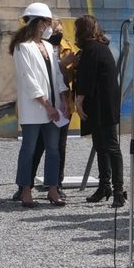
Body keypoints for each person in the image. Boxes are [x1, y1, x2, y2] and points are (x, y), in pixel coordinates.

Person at [11, 2, 69, 207]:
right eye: (46, 22)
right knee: (29, 149)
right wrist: (47, 105)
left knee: (53, 149)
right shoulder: (22, 47)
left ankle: (53, 189)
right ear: (38, 22)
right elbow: (28, 80)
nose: (49, 26)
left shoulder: (48, 46)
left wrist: (63, 97)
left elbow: (57, 75)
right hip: (35, 108)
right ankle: (26, 190)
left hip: (53, 107)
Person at [73, 15, 124, 208]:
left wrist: (79, 100)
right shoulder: (97, 47)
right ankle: (105, 186)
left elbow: (87, 77)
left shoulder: (93, 49)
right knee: (101, 146)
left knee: (110, 146)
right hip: (101, 104)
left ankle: (118, 190)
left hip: (103, 105)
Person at [27, 17, 80, 191]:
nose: (57, 34)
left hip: (63, 102)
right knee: (37, 145)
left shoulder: (68, 48)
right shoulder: (35, 47)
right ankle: (26, 184)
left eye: (60, 31)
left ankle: (57, 183)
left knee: (59, 146)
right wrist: (62, 65)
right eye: (55, 30)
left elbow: (70, 75)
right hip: (42, 102)